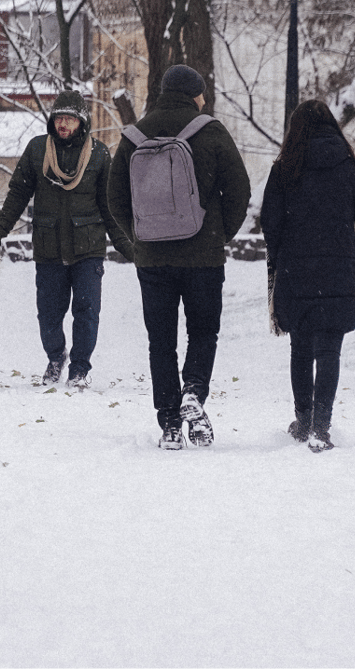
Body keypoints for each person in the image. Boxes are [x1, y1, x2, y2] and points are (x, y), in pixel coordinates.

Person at [107, 65, 252, 450]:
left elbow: (115, 197)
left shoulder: (134, 136)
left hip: (153, 259)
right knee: (204, 331)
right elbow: (240, 189)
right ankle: (194, 392)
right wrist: (220, 234)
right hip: (203, 256)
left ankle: (170, 423)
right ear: (195, 94)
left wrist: (140, 237)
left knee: (161, 340)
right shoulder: (211, 130)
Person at [0, 90, 134, 388]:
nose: (64, 124)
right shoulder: (38, 150)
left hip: (88, 247)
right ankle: (55, 357)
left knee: (87, 311)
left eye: (70, 119)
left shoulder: (100, 154)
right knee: (49, 314)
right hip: (49, 247)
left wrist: (125, 244)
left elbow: (110, 205)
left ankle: (79, 369)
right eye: (59, 118)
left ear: (82, 122)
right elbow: (17, 196)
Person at [260, 99, 355, 452]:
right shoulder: (349, 166)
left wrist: (286, 251)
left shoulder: (284, 168)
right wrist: (346, 244)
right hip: (339, 270)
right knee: (329, 349)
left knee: (300, 347)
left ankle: (302, 420)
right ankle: (321, 426)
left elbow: (270, 222)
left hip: (296, 271)